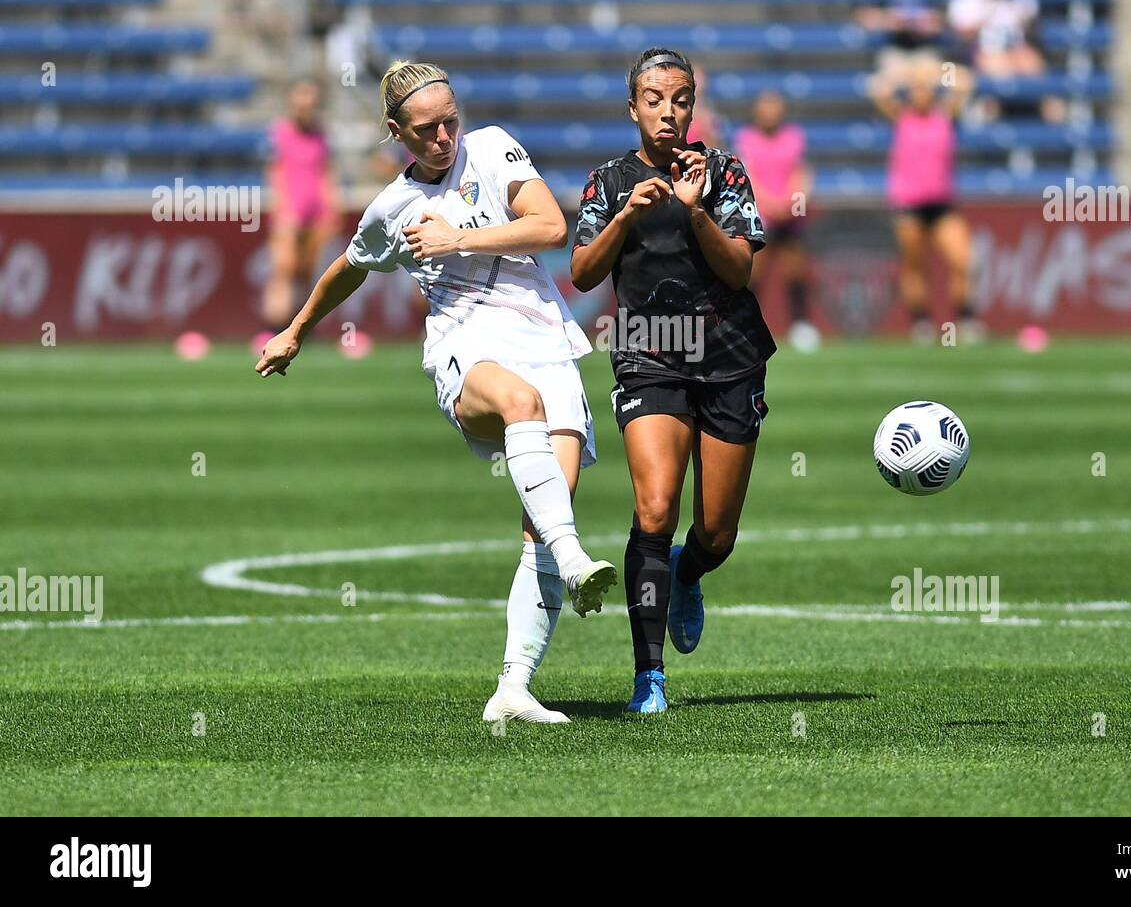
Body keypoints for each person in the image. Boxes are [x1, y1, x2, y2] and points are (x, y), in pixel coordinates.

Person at [255, 60, 617, 724]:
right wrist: (298, 329)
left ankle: (514, 687)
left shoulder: (492, 147)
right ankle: (574, 558)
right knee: (519, 407)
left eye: (451, 120)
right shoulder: (393, 208)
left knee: (544, 520)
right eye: (426, 130)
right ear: (396, 132)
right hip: (465, 346)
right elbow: (348, 267)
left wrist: (457, 238)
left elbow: (549, 227)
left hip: (547, 340)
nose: (445, 137)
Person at [570, 48, 775, 714]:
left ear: (693, 105)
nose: (668, 110)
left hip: (730, 353)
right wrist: (628, 216)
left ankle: (688, 574)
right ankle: (648, 677)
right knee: (656, 509)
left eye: (679, 99)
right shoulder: (606, 182)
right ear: (632, 108)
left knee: (715, 534)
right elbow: (581, 273)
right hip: (648, 353)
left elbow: (741, 272)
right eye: (653, 99)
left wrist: (695, 213)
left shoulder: (723, 172)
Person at [869, 56, 981, 343]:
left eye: (926, 89)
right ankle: (921, 321)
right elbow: (877, 88)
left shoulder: (944, 116)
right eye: (917, 89)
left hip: (942, 203)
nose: (922, 94)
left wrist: (933, 71)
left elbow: (967, 81)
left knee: (962, 260)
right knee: (915, 266)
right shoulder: (901, 118)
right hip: (909, 204)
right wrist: (907, 72)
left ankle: (965, 318)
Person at [732, 91, 820, 352]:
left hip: (789, 219)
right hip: (760, 218)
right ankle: (745, 326)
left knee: (796, 272)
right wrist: (771, 205)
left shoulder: (794, 137)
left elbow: (801, 173)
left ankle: (801, 325)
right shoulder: (746, 139)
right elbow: (748, 178)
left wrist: (793, 202)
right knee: (752, 275)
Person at [262, 79, 344, 333]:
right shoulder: (279, 132)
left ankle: (301, 329)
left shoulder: (321, 134)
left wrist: (332, 206)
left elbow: (326, 173)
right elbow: (274, 172)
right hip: (289, 210)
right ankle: (274, 328)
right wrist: (282, 206)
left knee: (308, 272)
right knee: (284, 268)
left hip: (316, 211)